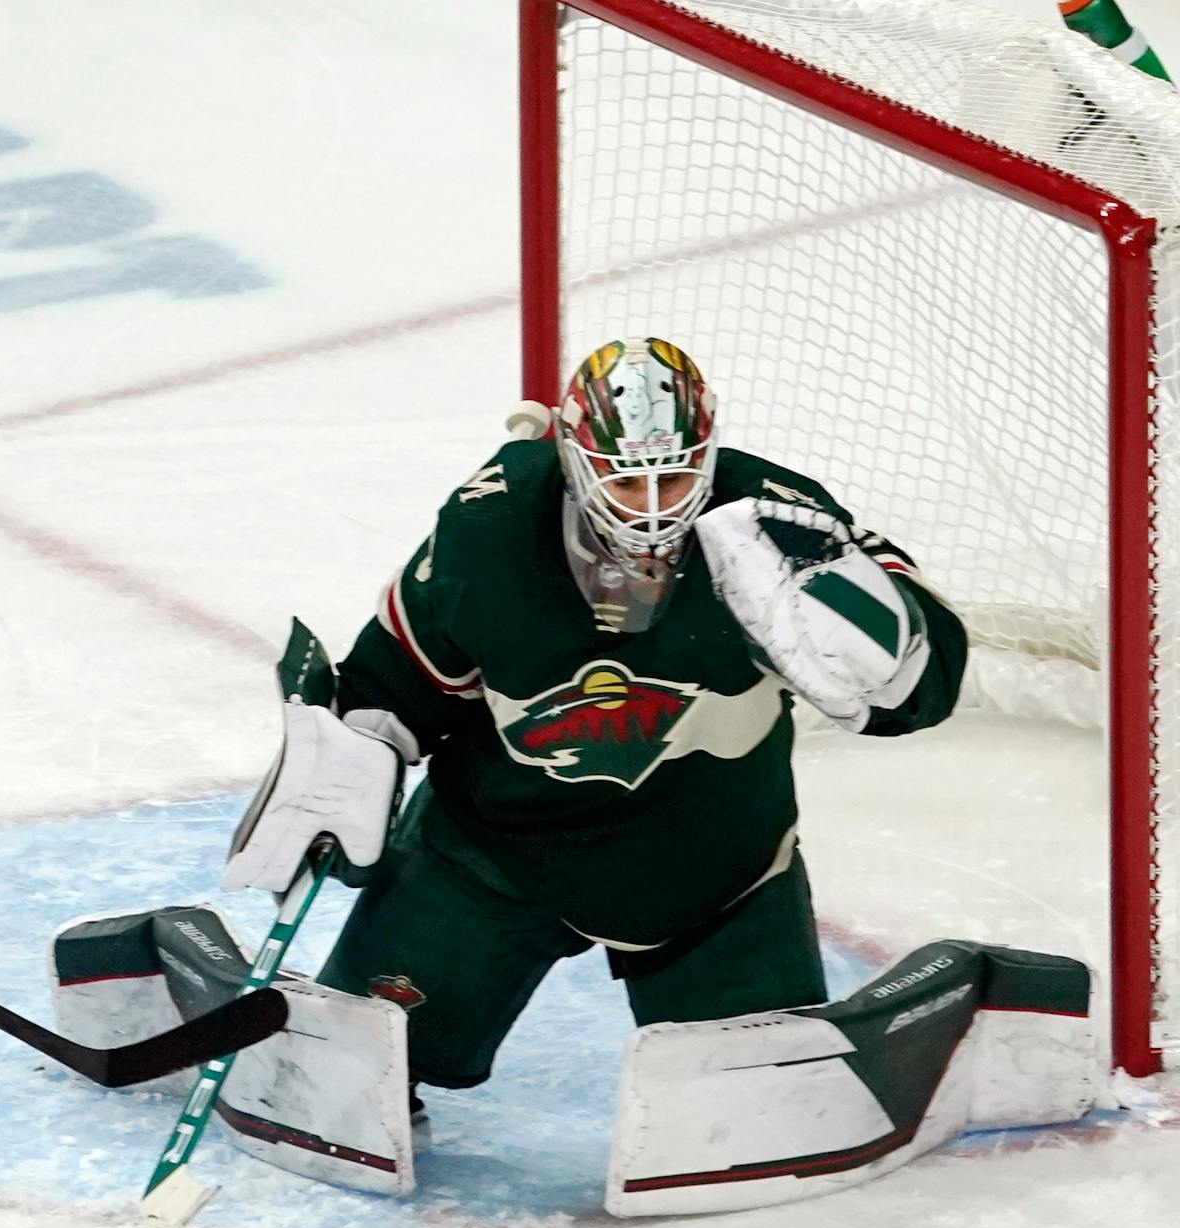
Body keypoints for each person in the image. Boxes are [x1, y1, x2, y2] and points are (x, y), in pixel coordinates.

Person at [223, 337, 967, 1109]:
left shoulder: (781, 521)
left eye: (672, 477)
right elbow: (398, 682)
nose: (651, 508)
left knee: (758, 1104)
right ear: (575, 458)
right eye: (625, 479)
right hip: (497, 852)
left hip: (714, 865)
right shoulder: (492, 525)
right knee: (357, 1069)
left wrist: (888, 650)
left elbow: (924, 688)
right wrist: (347, 761)